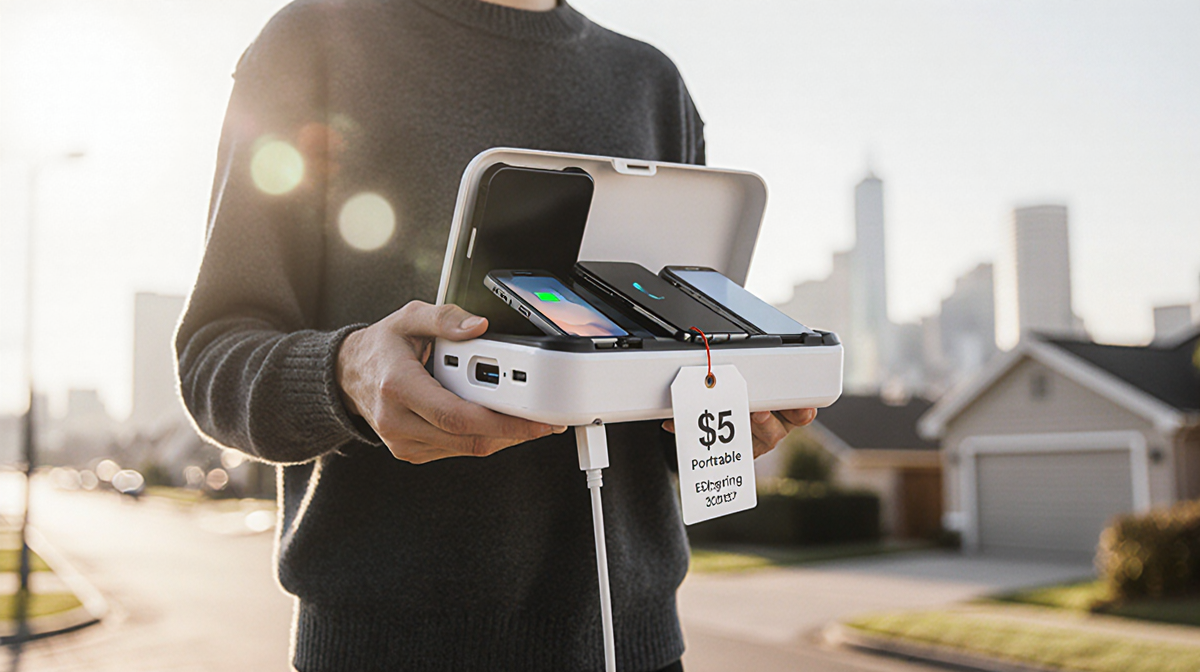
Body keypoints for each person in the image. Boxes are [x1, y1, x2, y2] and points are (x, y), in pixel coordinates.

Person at [175, 0, 816, 670]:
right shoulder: (313, 40)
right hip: (386, 650)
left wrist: (723, 416)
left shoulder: (651, 82)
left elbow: (665, 420)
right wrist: (345, 372)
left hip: (638, 647)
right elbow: (211, 357)